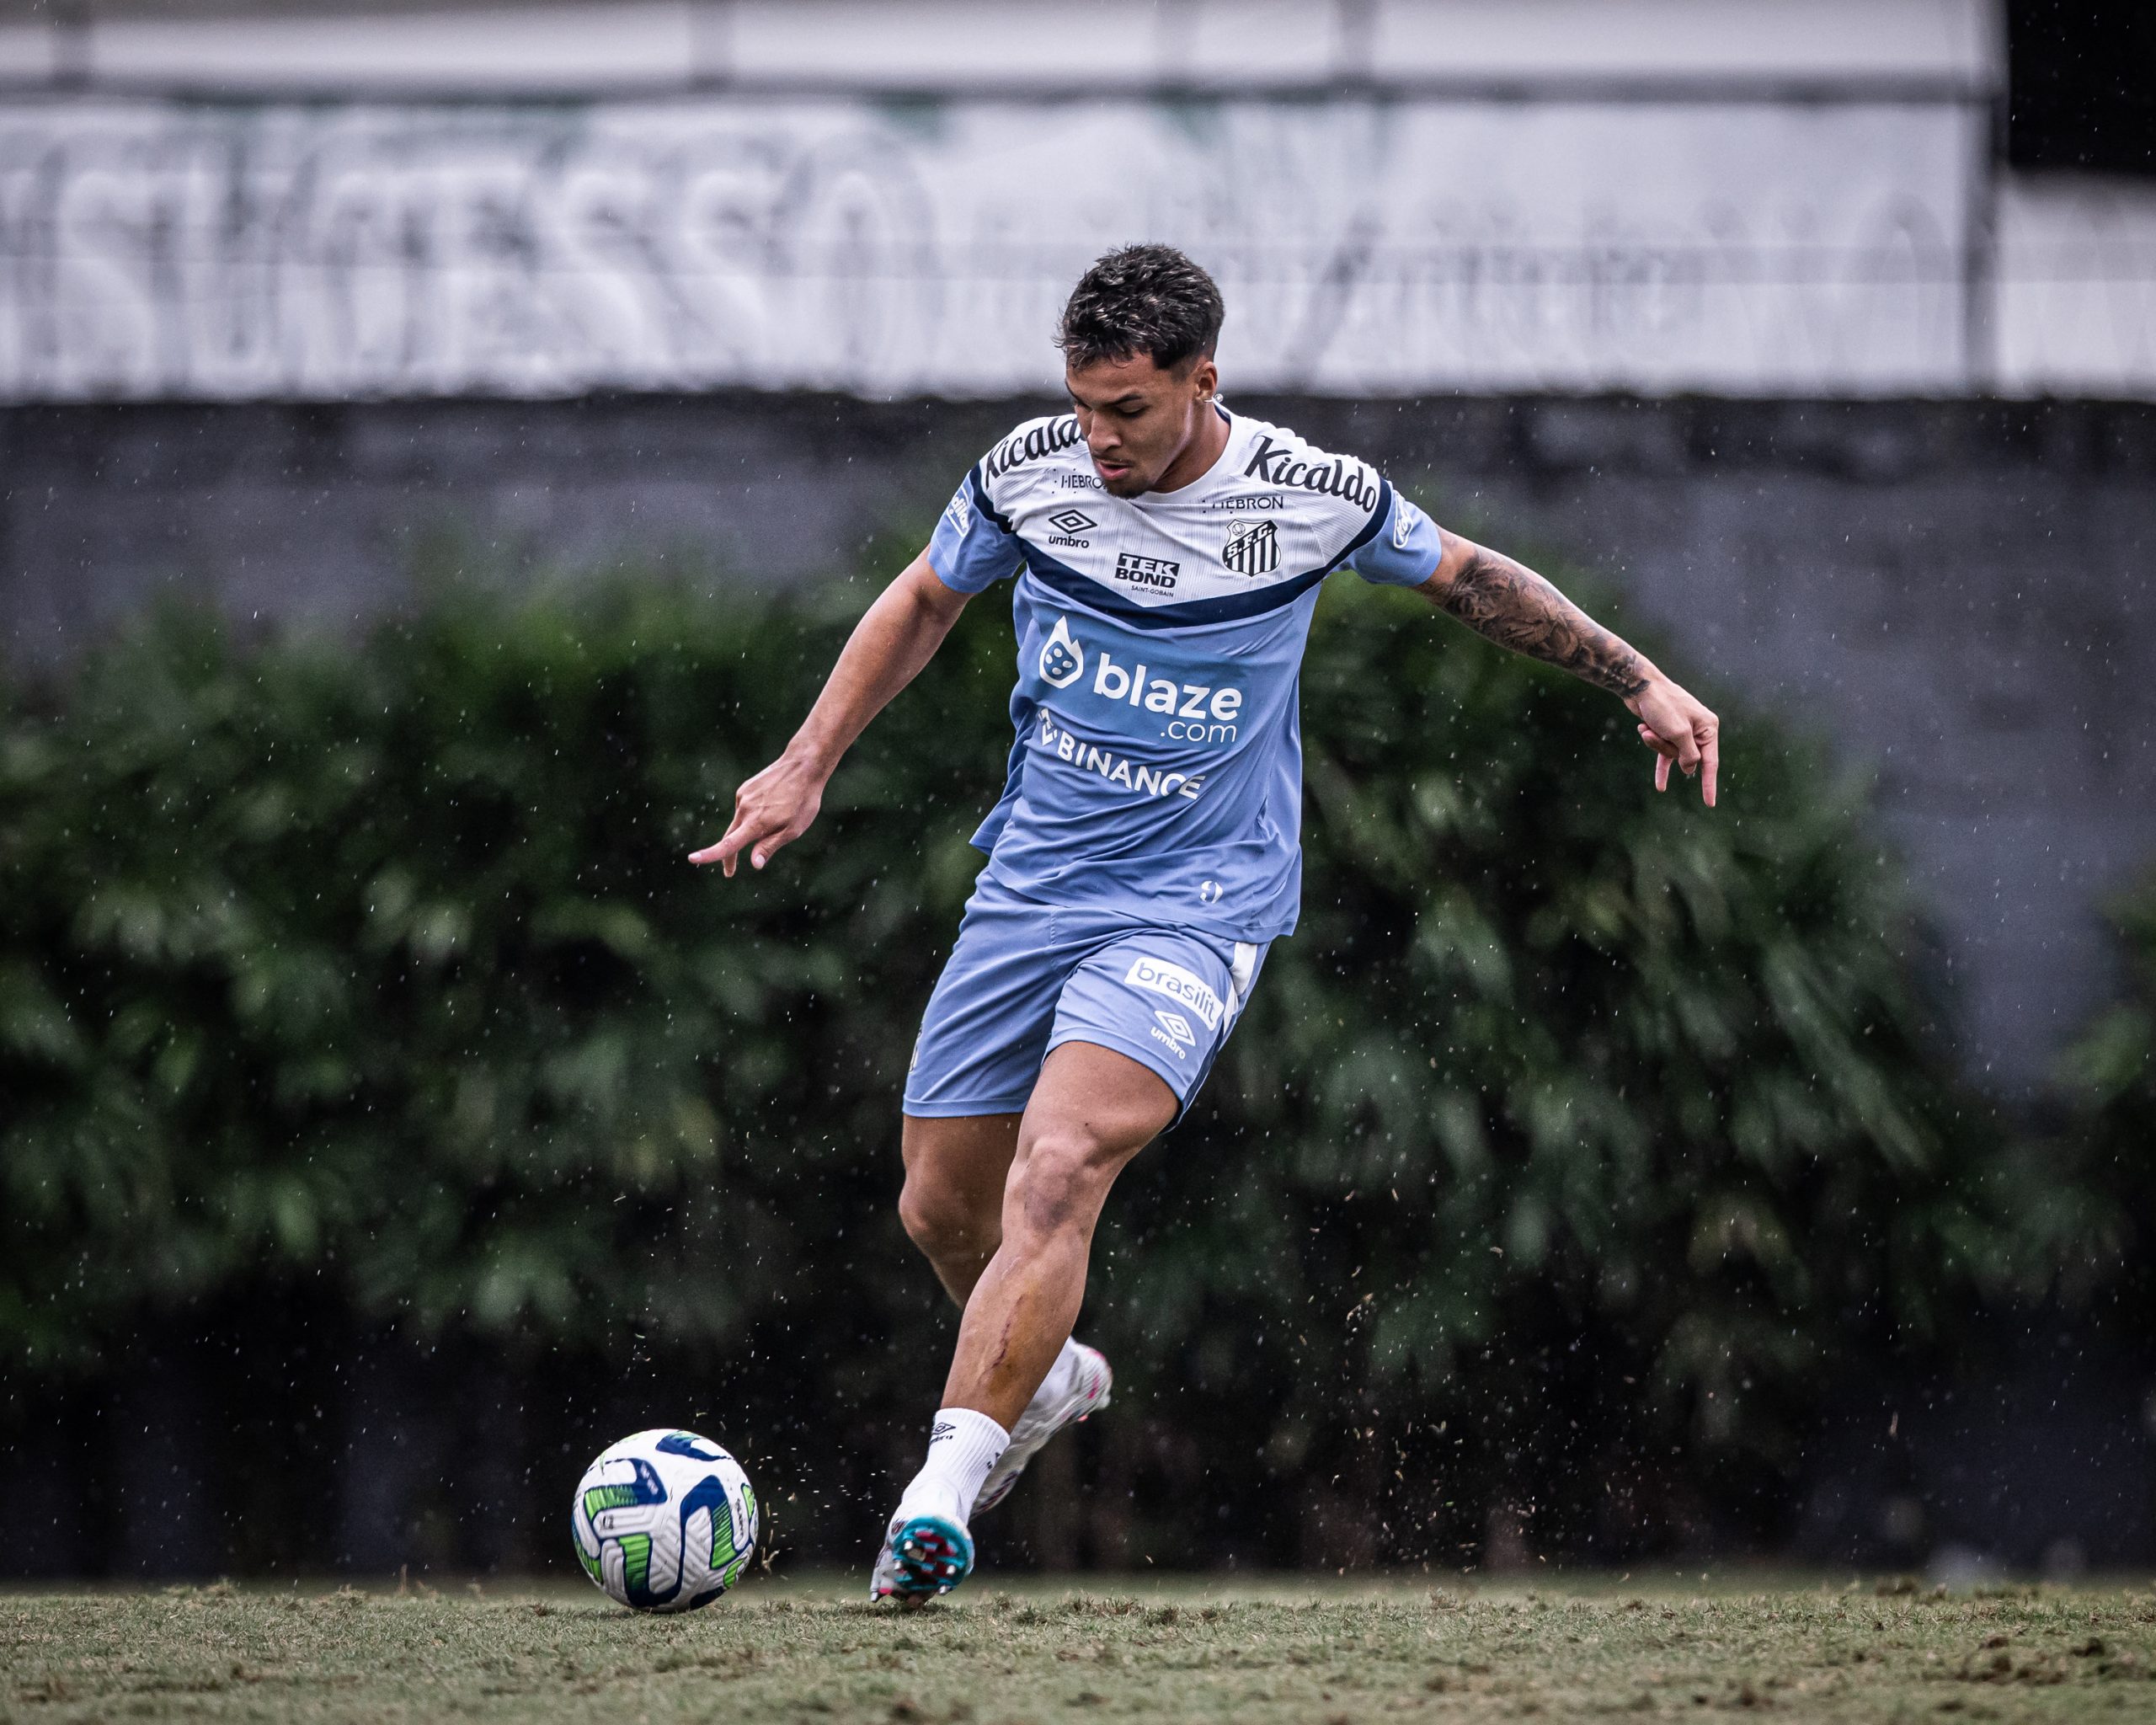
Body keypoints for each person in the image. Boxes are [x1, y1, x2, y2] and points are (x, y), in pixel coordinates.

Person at [690, 244, 1718, 1603]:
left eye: (1129, 409)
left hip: (1195, 904)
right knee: (940, 1207)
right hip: (1034, 886)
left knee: (1054, 1173)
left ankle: (939, 1495)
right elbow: (925, 598)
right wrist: (810, 759)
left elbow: (1473, 578)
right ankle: (1046, 1380)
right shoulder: (1029, 474)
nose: (1099, 438)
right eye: (1082, 405)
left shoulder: (1307, 496)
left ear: (1201, 381)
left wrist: (1636, 676)